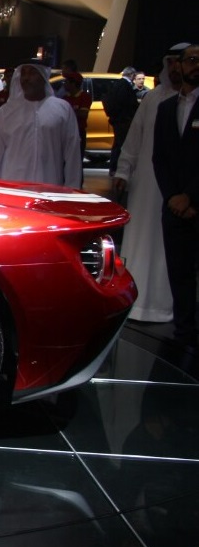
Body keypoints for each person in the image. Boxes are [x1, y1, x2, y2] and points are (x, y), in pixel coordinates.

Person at [111, 48, 184, 323]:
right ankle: (136, 301)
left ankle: (165, 306)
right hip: (145, 183)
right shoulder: (153, 98)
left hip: (178, 188)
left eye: (180, 63)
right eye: (171, 63)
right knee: (141, 239)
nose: (175, 69)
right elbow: (134, 138)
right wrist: (123, 170)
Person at [151, 43, 199, 346]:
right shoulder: (166, 108)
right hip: (174, 207)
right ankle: (184, 334)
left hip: (194, 203)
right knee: (179, 273)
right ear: (179, 65)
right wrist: (173, 197)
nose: (196, 65)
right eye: (191, 59)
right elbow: (160, 158)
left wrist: (190, 197)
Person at [0, 62, 82, 189]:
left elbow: (72, 154)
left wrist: (72, 190)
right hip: (13, 189)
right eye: (23, 73)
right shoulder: (6, 112)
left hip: (49, 189)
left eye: (32, 73)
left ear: (43, 76)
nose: (26, 78)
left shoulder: (62, 110)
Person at [104, 66, 140, 174]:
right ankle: (117, 168)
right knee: (121, 145)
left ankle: (114, 167)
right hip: (123, 120)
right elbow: (125, 103)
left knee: (117, 144)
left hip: (117, 120)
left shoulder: (116, 84)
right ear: (132, 75)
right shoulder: (125, 86)